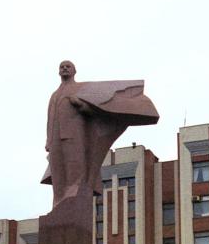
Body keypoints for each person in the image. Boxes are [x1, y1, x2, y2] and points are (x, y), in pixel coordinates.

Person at [42, 60, 159, 209]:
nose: (64, 69)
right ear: (59, 72)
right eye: (62, 67)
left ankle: (73, 195)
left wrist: (80, 105)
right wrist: (49, 139)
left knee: (75, 166)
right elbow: (50, 119)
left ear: (74, 71)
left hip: (74, 134)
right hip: (55, 138)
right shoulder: (55, 95)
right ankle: (58, 200)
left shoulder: (80, 89)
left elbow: (93, 112)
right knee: (57, 168)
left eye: (68, 67)